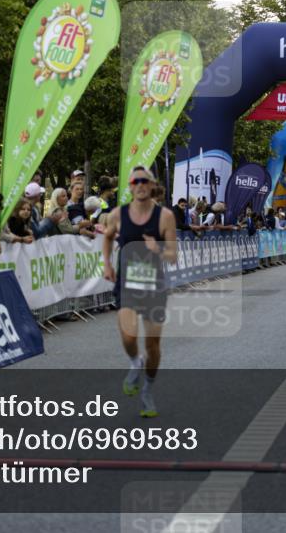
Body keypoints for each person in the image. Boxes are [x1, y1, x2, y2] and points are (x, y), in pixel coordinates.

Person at [102, 166, 177, 418]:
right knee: (129, 337)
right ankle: (135, 362)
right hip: (127, 284)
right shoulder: (117, 215)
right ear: (130, 186)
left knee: (153, 344)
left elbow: (173, 256)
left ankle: (147, 390)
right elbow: (108, 237)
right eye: (135, 181)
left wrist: (157, 248)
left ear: (151, 184)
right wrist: (107, 264)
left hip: (154, 286)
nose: (140, 185)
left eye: (145, 181)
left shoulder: (165, 216)